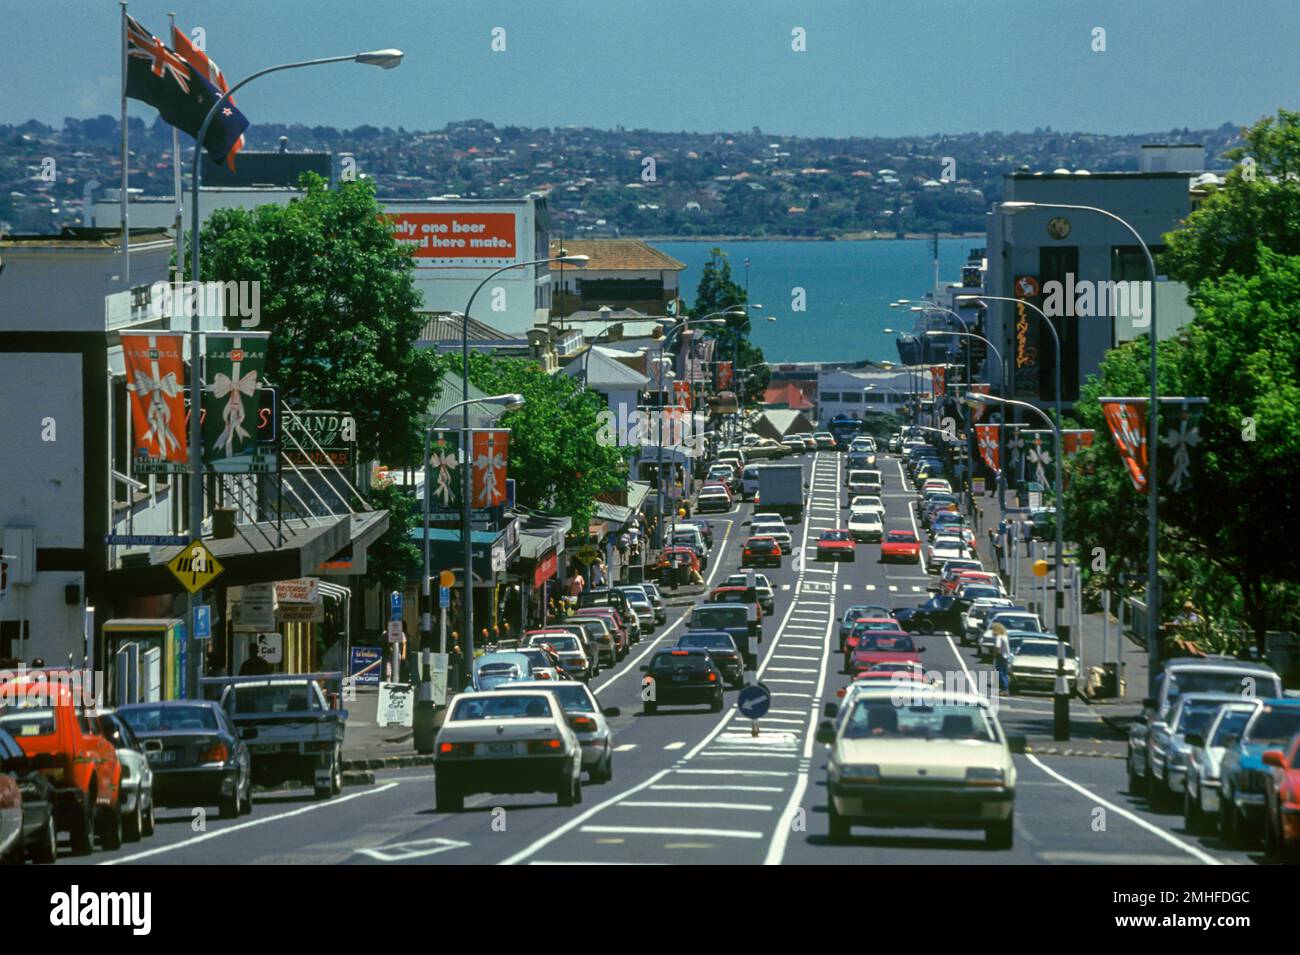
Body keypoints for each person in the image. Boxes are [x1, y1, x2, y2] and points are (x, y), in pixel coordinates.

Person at [993, 623, 1011, 694]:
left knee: (999, 672)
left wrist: (994, 654)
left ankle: (1004, 688)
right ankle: (1005, 689)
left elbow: (997, 646)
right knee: (1004, 673)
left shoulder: (999, 637)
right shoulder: (1005, 636)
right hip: (1006, 656)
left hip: (1000, 656)